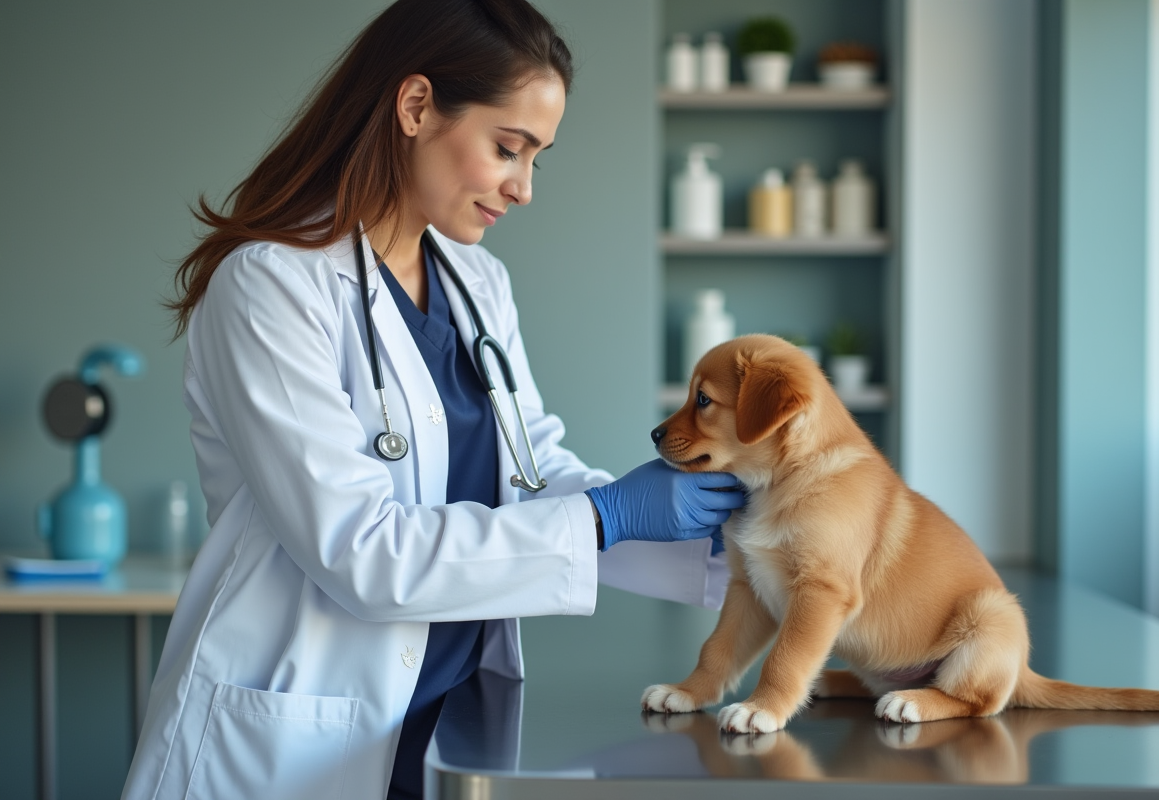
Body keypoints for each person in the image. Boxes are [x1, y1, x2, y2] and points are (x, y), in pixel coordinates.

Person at [121, 2, 745, 799]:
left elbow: (529, 473)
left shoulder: (478, 282)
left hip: (445, 720)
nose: (523, 189)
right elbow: (360, 550)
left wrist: (733, 545)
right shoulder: (269, 285)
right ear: (415, 107)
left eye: (537, 161)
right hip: (293, 730)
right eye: (507, 149)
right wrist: (606, 516)